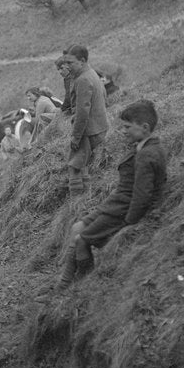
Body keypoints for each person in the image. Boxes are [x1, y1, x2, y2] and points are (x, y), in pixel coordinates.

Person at [59, 100, 167, 289]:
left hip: (123, 208)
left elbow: (142, 195)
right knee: (77, 227)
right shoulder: (141, 147)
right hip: (116, 202)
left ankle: (73, 286)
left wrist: (129, 222)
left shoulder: (147, 154)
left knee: (81, 240)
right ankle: (63, 283)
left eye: (127, 127)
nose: (123, 131)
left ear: (144, 127)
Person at [65, 45, 109, 196]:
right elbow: (103, 96)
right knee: (87, 165)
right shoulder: (92, 73)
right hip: (99, 126)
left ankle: (78, 201)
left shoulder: (83, 80)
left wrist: (76, 137)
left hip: (89, 130)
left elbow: (82, 112)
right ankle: (88, 195)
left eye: (71, 63)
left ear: (82, 61)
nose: (67, 66)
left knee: (74, 165)